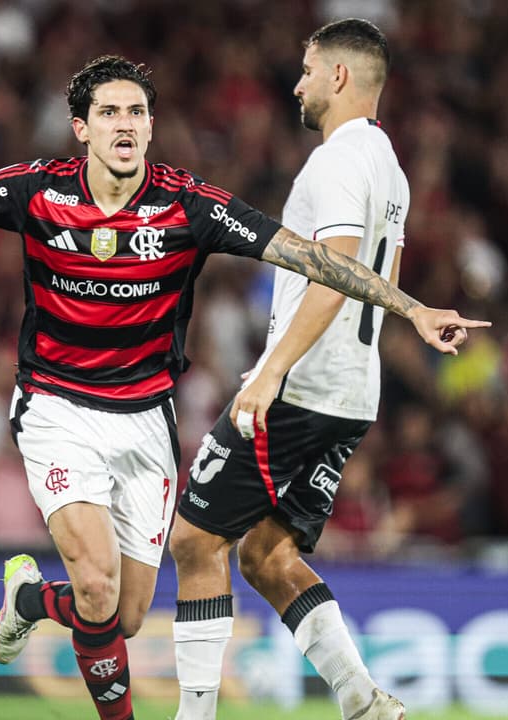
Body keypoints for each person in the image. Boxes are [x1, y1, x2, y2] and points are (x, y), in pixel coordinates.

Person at [0, 54, 484, 720]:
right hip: (57, 410)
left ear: (151, 128)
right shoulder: (36, 191)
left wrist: (411, 308)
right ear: (81, 129)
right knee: (95, 588)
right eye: (109, 113)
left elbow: (314, 260)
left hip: (147, 421)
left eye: (136, 112)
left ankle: (29, 599)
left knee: (122, 618)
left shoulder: (189, 204)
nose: (124, 125)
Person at [170, 19, 411, 720]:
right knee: (266, 556)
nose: (297, 83)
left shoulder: (336, 161)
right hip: (353, 391)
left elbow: (334, 272)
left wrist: (272, 369)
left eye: (307, 70)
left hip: (303, 386)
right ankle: (362, 701)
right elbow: (381, 276)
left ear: (340, 76)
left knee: (193, 539)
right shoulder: (389, 168)